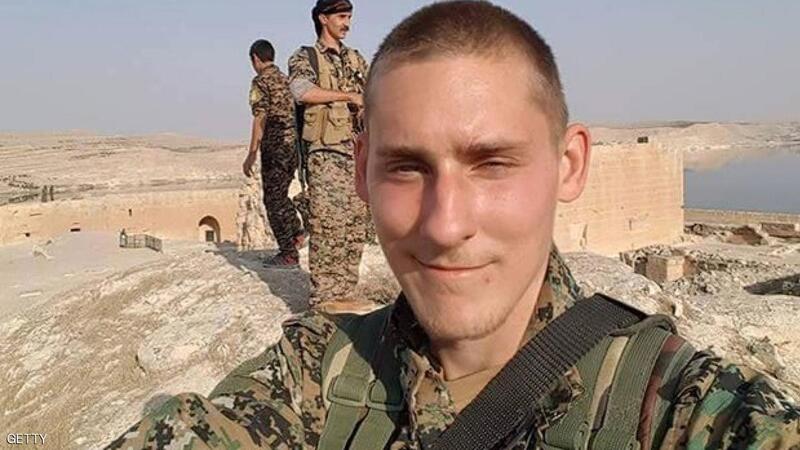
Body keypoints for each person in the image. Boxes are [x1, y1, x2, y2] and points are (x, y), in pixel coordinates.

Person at [106, 2, 800, 449]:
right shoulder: (312, 376)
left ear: (568, 166)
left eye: (492, 163)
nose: (445, 225)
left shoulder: (674, 401)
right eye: (406, 167)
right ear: (363, 174)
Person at [288, 0, 371, 306]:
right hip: (326, 154)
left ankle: (345, 294)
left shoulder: (355, 59)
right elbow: (301, 91)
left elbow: (373, 93)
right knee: (327, 226)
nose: (347, 23)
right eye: (341, 16)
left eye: (349, 16)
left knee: (354, 225)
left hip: (357, 152)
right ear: (323, 19)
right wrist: (348, 96)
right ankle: (324, 299)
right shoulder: (306, 56)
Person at [243, 39, 305, 268]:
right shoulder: (286, 79)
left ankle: (288, 253)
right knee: (281, 194)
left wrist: (252, 153)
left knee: (272, 199)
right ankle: (297, 233)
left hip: (275, 147)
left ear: (255, 59)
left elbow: (260, 117)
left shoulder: (261, 82)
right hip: (294, 147)